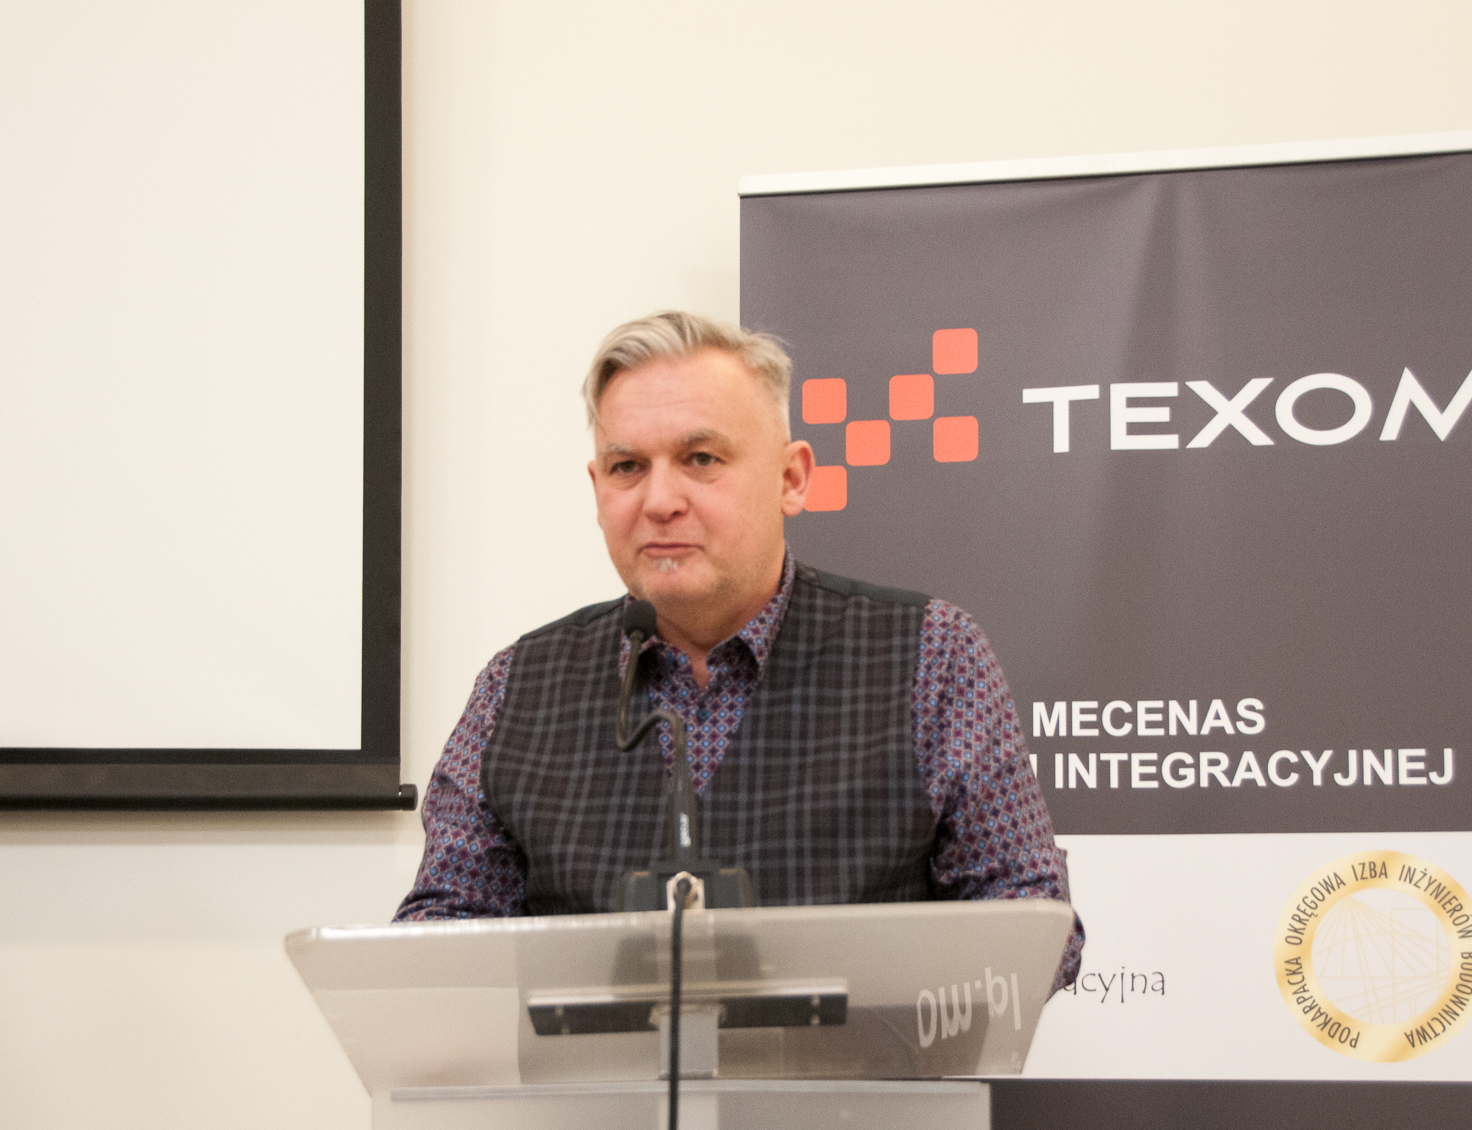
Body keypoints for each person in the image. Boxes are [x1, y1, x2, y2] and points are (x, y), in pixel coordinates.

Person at [394, 311, 1082, 988]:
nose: (660, 500)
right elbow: (440, 938)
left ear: (791, 478)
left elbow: (1034, 926)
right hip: (596, 1071)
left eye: (701, 459)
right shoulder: (517, 687)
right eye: (628, 466)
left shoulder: (931, 657)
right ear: (598, 491)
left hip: (854, 1067)